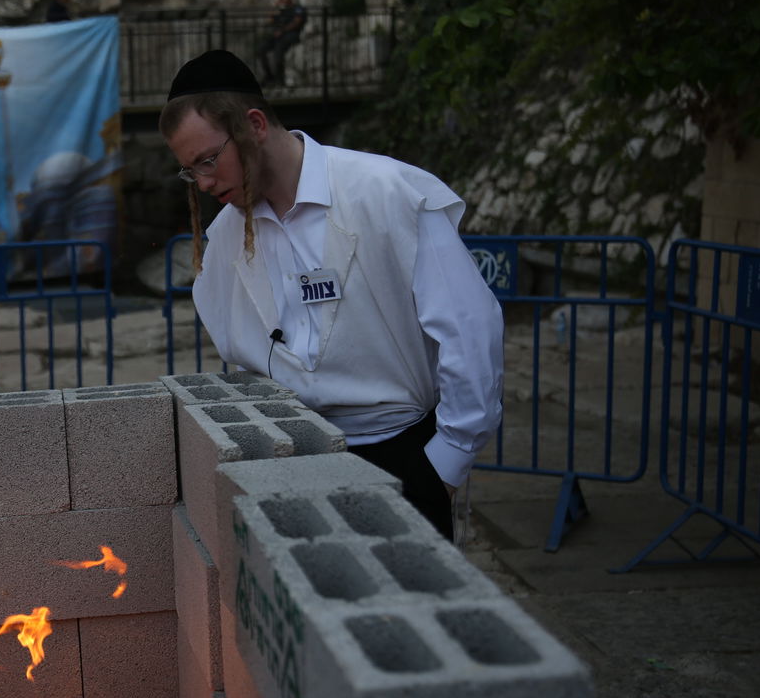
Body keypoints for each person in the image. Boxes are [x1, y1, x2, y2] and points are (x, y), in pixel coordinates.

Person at [160, 49, 503, 539]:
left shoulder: (385, 191)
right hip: (290, 458)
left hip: (402, 453)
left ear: (254, 124)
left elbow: (470, 329)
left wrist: (447, 463)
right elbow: (240, 356)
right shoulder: (225, 241)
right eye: (191, 172)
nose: (204, 182)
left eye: (209, 160)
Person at [257, 0, 307, 86]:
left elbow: (297, 22)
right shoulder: (281, 10)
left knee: (278, 52)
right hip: (278, 36)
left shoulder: (297, 8)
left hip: (291, 35)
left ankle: (280, 80)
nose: (285, 0)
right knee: (261, 49)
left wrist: (283, 30)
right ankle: (269, 76)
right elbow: (270, 20)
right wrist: (276, 6)